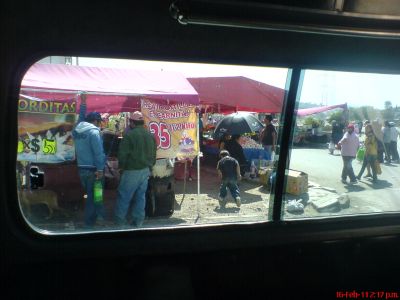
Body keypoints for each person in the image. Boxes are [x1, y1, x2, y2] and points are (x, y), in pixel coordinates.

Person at [114, 111, 156, 227]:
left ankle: (120, 221)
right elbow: (153, 154)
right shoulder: (150, 135)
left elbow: (122, 155)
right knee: (140, 197)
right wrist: (150, 167)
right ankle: (138, 221)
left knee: (124, 196)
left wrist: (121, 168)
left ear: (132, 122)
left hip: (131, 170)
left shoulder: (129, 135)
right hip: (145, 171)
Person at [72, 92, 106, 227]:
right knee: (95, 197)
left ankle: (98, 218)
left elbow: (81, 118)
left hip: (82, 170)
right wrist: (100, 169)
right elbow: (98, 153)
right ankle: (90, 223)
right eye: (99, 122)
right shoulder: (94, 132)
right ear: (96, 121)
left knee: (92, 195)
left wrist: (83, 103)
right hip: (94, 172)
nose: (99, 125)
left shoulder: (78, 130)